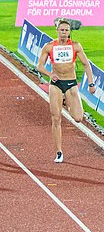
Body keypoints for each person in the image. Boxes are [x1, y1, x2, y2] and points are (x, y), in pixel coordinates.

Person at [36, 19, 96, 163]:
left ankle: (66, 101)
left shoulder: (75, 46)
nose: (64, 33)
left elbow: (86, 65)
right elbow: (40, 66)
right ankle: (58, 152)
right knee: (56, 118)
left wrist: (91, 83)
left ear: (69, 32)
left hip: (71, 83)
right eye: (62, 30)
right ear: (57, 30)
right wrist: (51, 75)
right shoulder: (49, 46)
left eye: (66, 30)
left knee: (78, 118)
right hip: (56, 84)